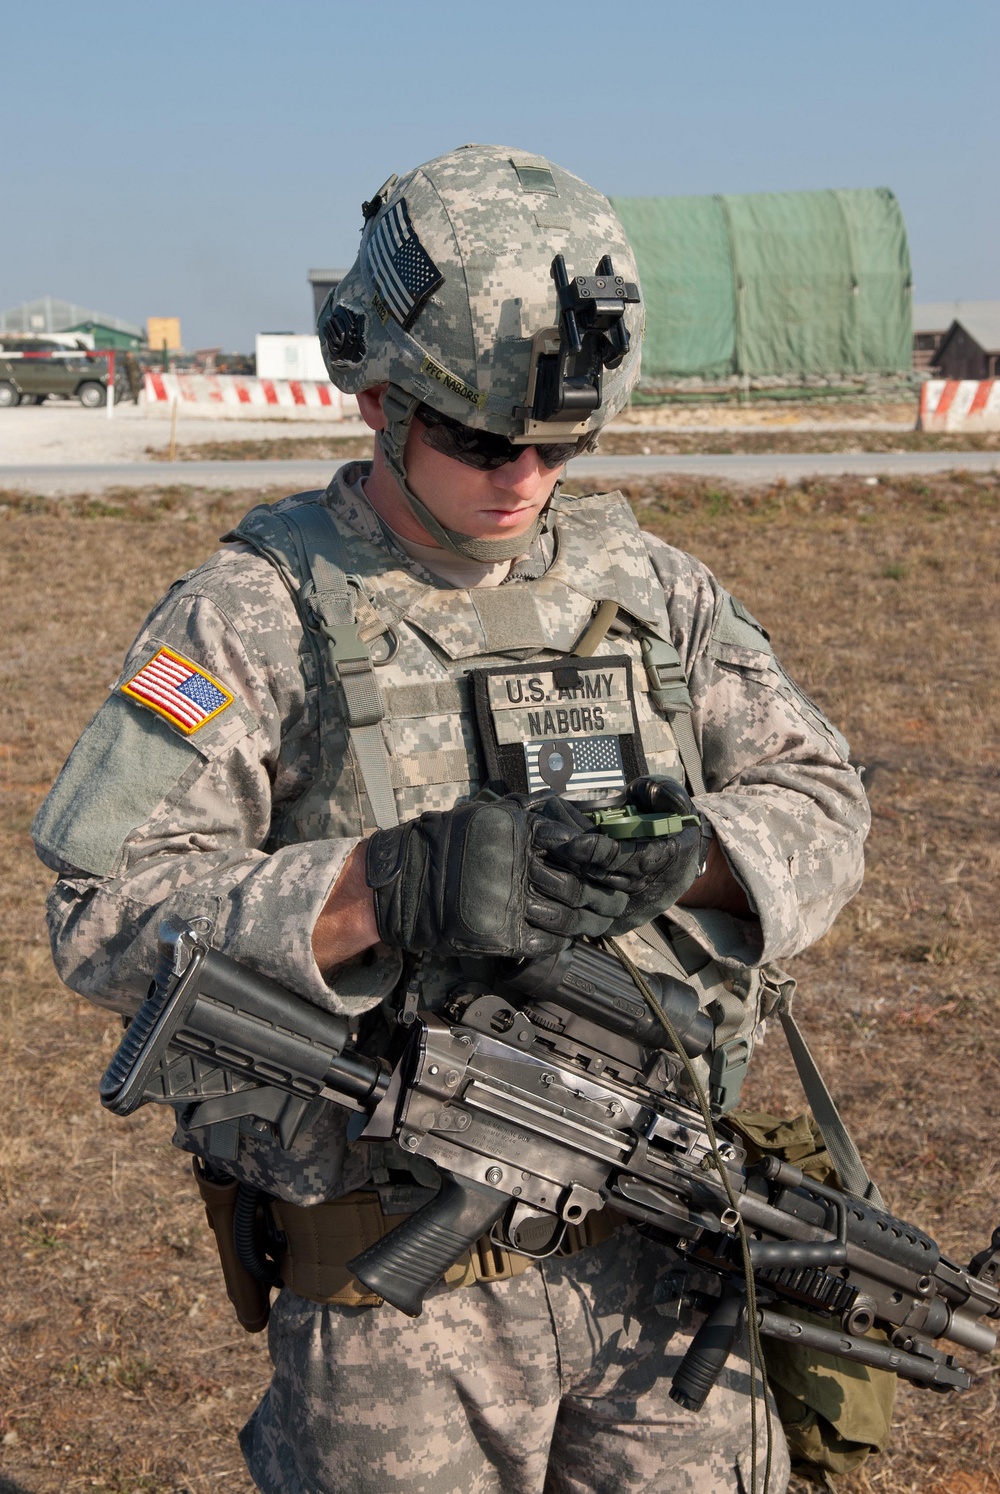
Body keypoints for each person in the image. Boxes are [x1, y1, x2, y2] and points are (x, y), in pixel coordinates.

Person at [32, 144, 869, 1494]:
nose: (524, 478)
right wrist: (386, 885)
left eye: (559, 444)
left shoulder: (653, 591)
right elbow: (103, 908)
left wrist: (695, 859)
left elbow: (823, 794)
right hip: (397, 1312)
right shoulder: (257, 613)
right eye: (483, 438)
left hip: (663, 1266)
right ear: (379, 397)